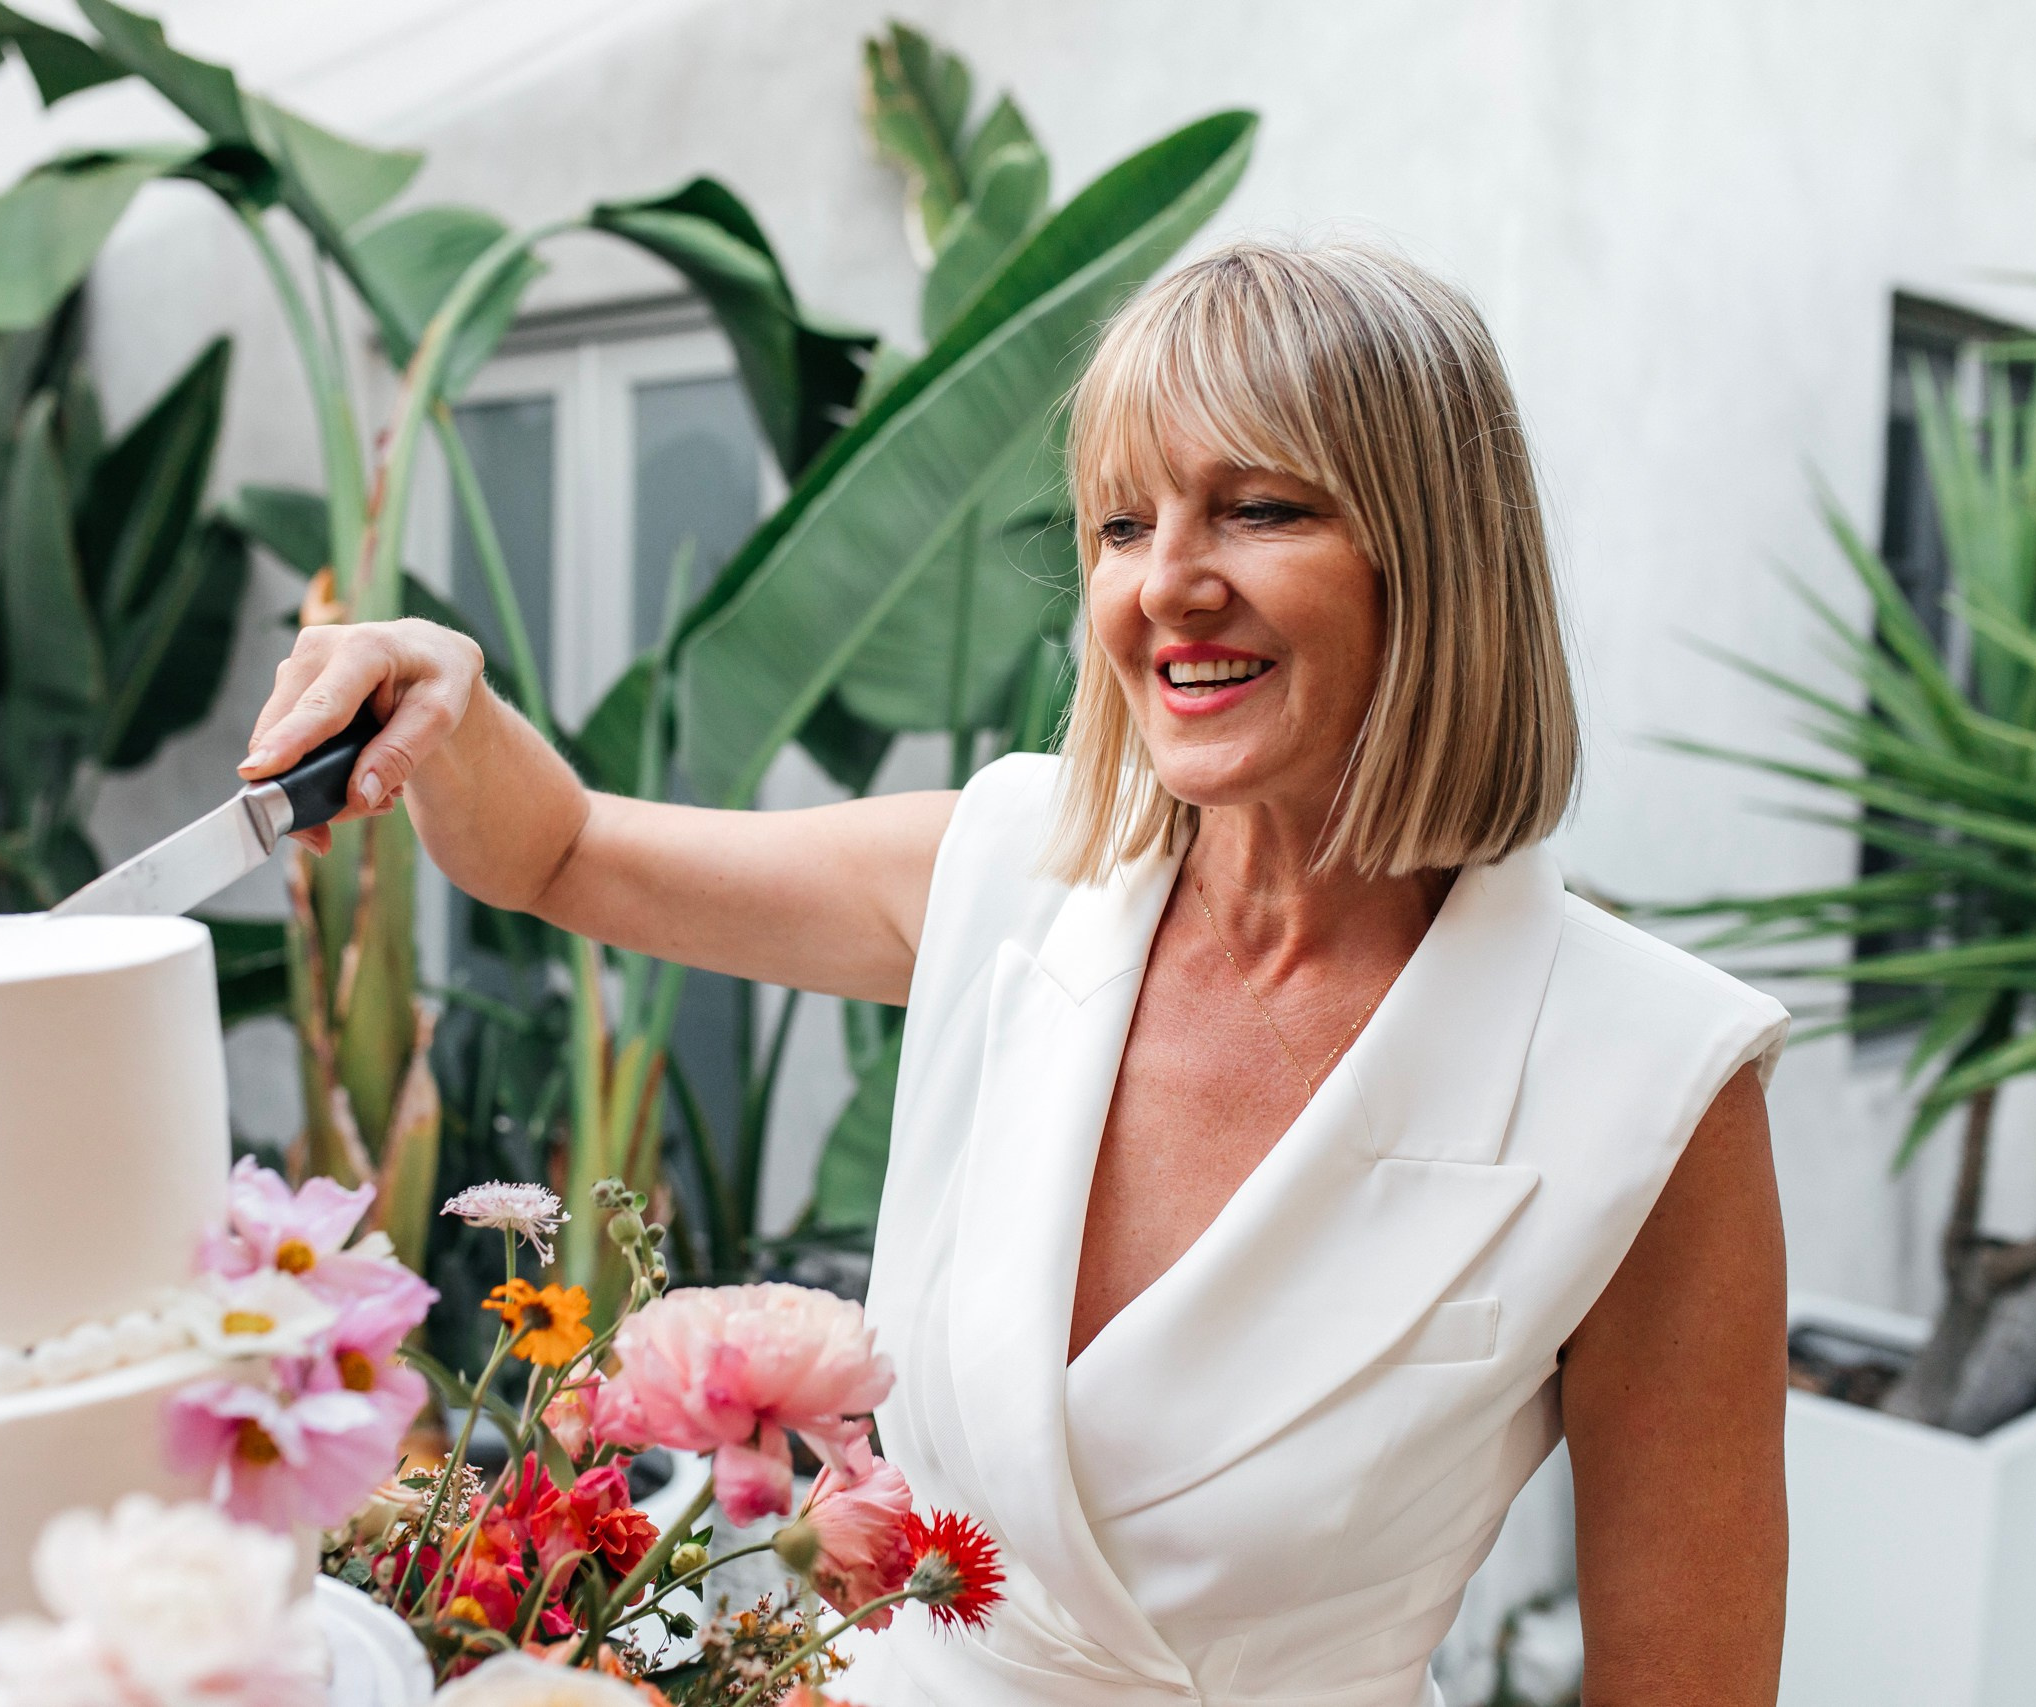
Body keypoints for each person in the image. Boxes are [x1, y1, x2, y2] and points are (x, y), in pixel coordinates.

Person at [242, 239, 1789, 1706]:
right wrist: (441, 686)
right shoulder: (1003, 868)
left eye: (1256, 508)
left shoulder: (1649, 1082)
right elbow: (562, 851)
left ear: (1434, 558)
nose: (1164, 584)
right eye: (1123, 524)